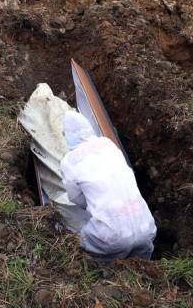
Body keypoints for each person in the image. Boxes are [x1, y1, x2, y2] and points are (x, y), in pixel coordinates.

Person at [60, 111, 157, 263]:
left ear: (67, 136)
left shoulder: (70, 161)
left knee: (94, 263)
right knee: (142, 270)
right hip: (146, 229)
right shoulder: (108, 144)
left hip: (109, 238)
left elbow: (76, 199)